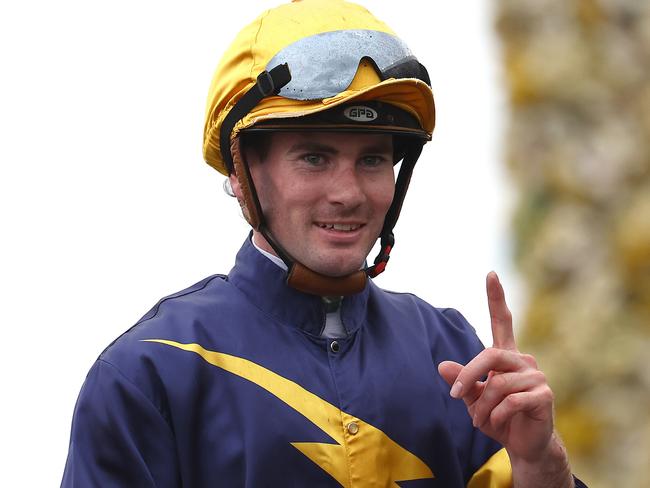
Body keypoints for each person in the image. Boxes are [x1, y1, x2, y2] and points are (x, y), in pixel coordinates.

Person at [61, 0, 587, 486]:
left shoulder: (451, 353)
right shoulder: (148, 372)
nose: (348, 194)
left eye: (373, 159)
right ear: (243, 174)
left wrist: (541, 462)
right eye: (314, 157)